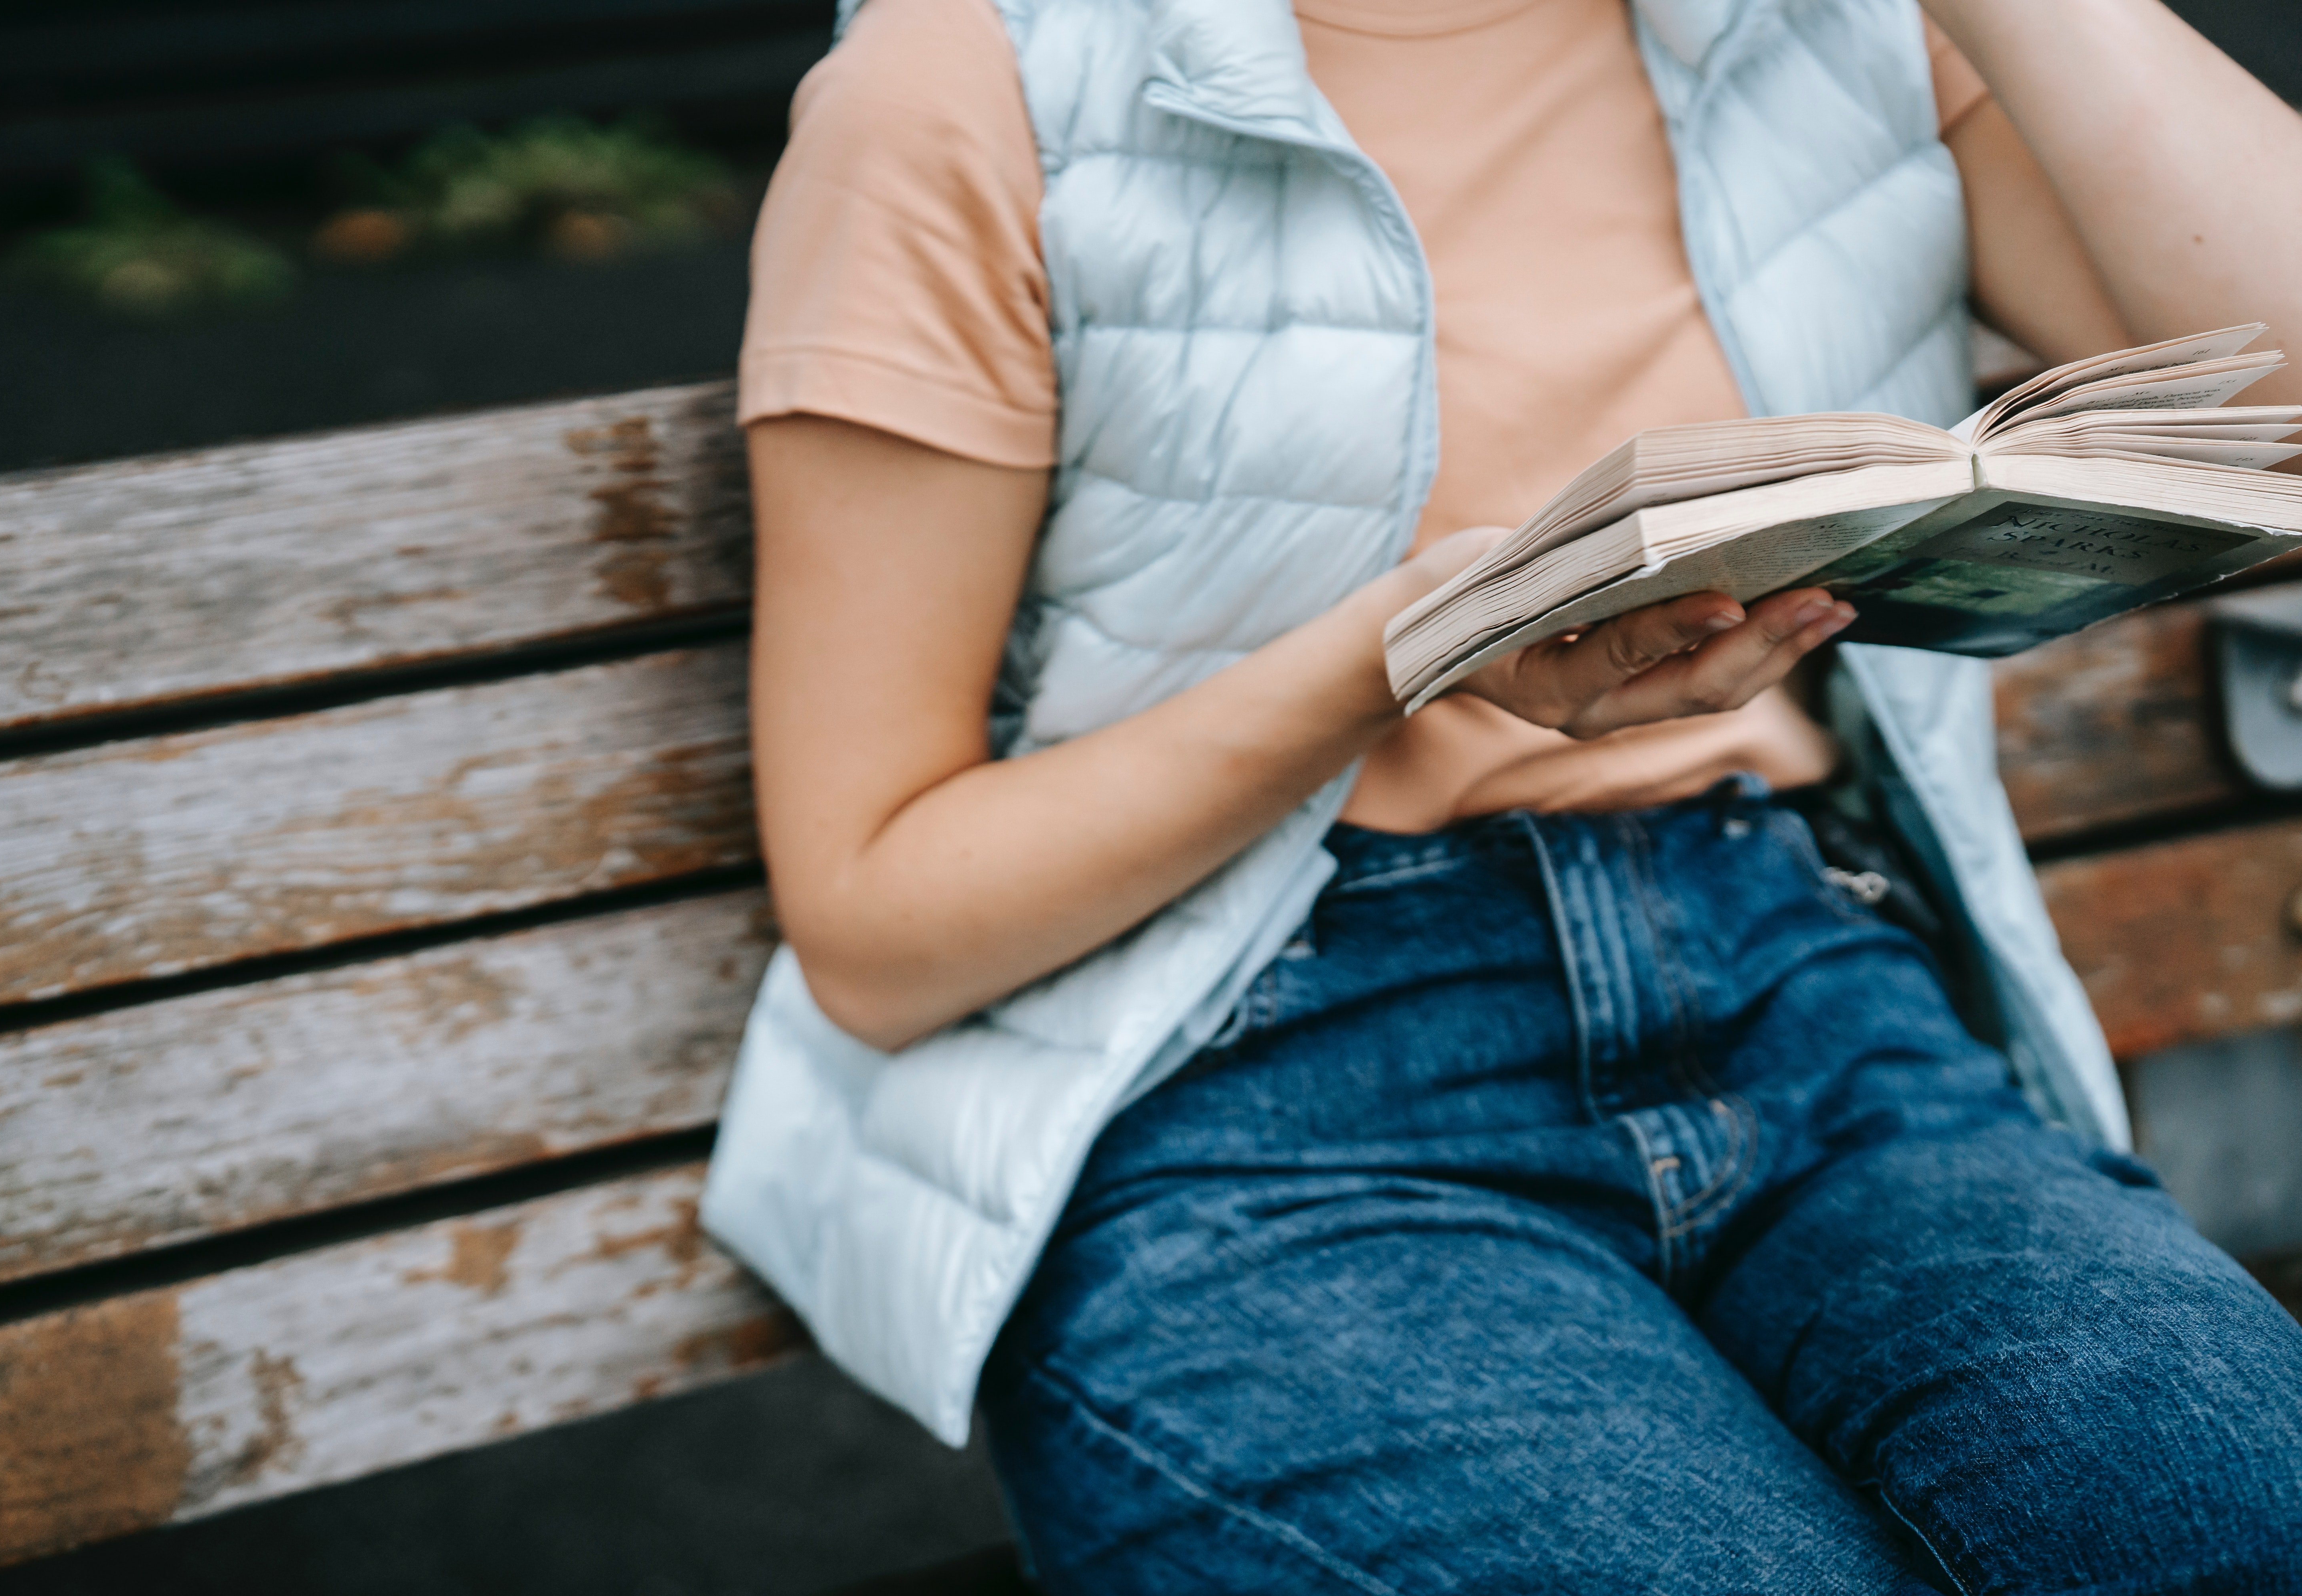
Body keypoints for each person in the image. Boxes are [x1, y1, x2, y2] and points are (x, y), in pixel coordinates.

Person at [703, 0, 2302, 1588]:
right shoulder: (972, 80)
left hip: (1811, 996)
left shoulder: (1845, 25)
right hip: (1265, 1085)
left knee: (2236, 1523)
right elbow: (876, 920)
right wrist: (1393, 656)